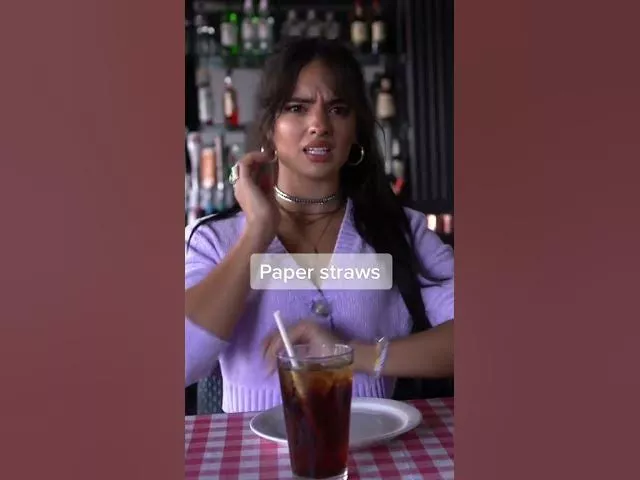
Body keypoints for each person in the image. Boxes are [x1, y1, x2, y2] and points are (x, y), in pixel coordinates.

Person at [185, 38, 454, 414]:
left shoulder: (400, 231)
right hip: (252, 448)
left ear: (355, 130)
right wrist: (257, 232)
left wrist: (355, 354)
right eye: (297, 108)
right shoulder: (215, 239)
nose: (319, 125)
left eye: (338, 109)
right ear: (269, 128)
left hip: (376, 443)